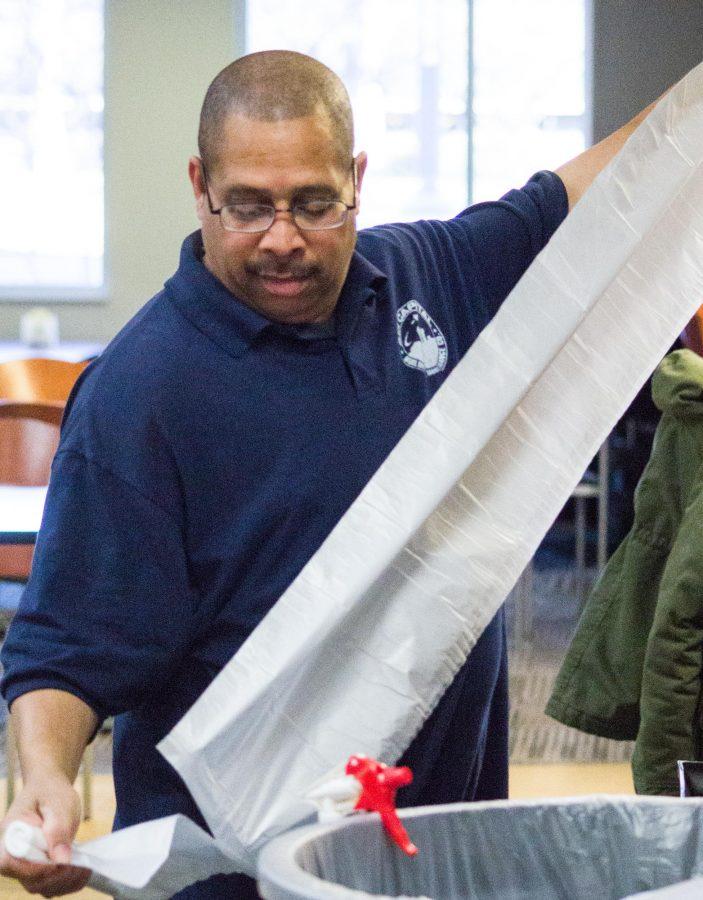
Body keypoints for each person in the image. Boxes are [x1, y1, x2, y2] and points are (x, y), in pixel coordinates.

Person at [0, 50, 662, 898]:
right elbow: (65, 647)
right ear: (199, 184)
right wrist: (47, 778)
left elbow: (616, 184)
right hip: (239, 867)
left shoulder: (430, 276)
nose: (282, 238)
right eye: (247, 206)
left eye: (314, 204)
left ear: (355, 179)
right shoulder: (138, 393)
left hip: (440, 852)